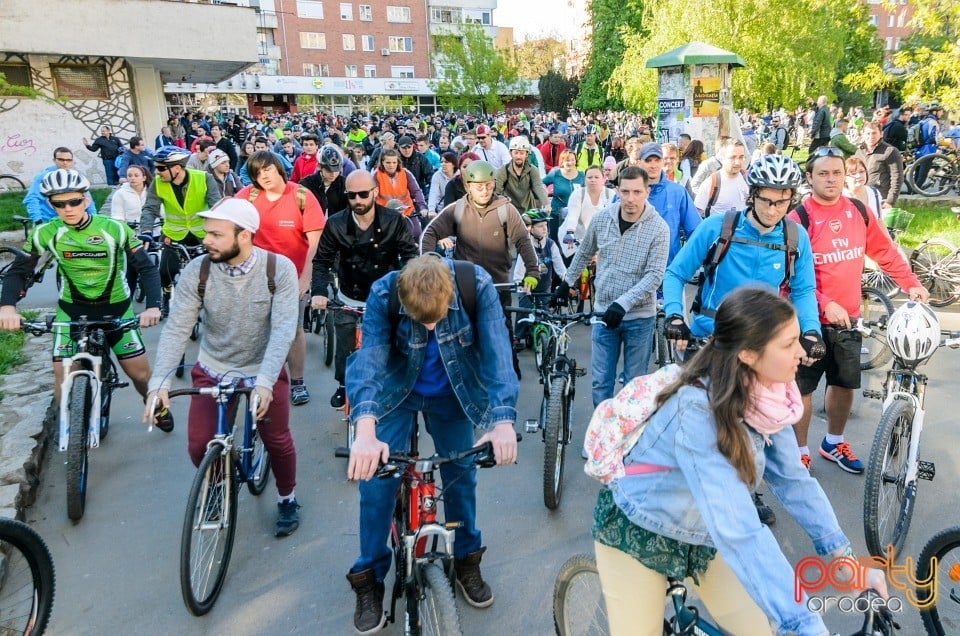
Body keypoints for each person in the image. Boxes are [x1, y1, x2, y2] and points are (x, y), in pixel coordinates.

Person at [593, 287, 889, 636]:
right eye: (788, 344)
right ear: (748, 354)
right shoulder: (697, 411)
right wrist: (804, 625)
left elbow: (795, 483)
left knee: (760, 630)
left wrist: (847, 565)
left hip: (704, 534)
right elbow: (741, 532)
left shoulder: (771, 395)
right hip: (641, 532)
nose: (803, 353)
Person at [344, 254, 519, 634]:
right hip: (395, 392)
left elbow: (498, 355)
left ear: (451, 294)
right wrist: (365, 430)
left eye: (436, 319)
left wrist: (502, 420)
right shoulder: (383, 293)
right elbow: (370, 361)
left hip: (453, 395)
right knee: (376, 483)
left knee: (462, 474)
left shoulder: (477, 287)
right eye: (419, 320)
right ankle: (370, 576)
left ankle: (466, 558)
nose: (429, 327)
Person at [142, 198, 302, 536]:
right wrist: (160, 382)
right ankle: (218, 479)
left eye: (216, 234)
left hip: (263, 366)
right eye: (206, 233)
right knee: (200, 445)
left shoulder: (279, 269)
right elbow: (177, 329)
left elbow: (284, 330)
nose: (206, 240)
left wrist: (265, 381)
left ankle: (287, 497)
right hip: (215, 365)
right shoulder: (197, 270)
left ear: (245, 236)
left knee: (277, 440)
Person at [786, 148, 928, 472]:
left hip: (849, 319)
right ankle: (799, 451)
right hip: (807, 321)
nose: (831, 179)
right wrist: (824, 303)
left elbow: (887, 253)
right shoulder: (798, 219)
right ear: (809, 178)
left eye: (837, 172)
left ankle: (833, 443)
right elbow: (786, 280)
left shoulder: (859, 211)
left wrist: (911, 284)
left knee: (844, 384)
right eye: (823, 173)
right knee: (803, 388)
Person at [0, 169, 163, 418]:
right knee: (62, 376)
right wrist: (7, 307)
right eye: (59, 203)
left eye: (74, 201)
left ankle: (155, 408)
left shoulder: (115, 229)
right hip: (72, 310)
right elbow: (19, 272)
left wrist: (153, 306)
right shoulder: (45, 233)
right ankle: (68, 428)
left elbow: (146, 269)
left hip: (116, 309)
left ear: (86, 199)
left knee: (139, 374)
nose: (68, 209)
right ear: (50, 204)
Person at [554, 166, 669, 408]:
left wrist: (623, 303)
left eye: (637, 192)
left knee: (633, 386)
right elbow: (584, 253)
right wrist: (567, 282)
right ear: (616, 190)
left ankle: (628, 440)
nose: (630, 198)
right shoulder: (602, 219)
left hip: (639, 318)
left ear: (647, 192)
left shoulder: (659, 228)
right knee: (600, 383)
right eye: (625, 191)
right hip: (603, 314)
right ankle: (602, 439)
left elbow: (654, 276)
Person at [311, 169, 419, 409]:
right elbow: (322, 261)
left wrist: (411, 290)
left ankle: (399, 387)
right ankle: (343, 384)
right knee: (345, 344)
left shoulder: (394, 221)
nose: (357, 200)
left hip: (386, 296)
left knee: (394, 344)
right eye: (352, 195)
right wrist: (318, 291)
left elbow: (411, 256)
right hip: (349, 295)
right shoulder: (335, 223)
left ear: (375, 192)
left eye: (363, 194)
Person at [421, 160, 540, 377]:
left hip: (498, 283)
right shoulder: (456, 209)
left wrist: (532, 272)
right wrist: (428, 266)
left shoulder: (506, 209)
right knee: (462, 330)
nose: (484, 190)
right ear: (468, 186)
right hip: (465, 284)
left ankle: (509, 370)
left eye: (488, 185)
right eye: (479, 186)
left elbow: (523, 240)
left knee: (502, 329)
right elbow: (429, 234)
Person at [237, 151, 325, 406]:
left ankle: (297, 381)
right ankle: (261, 378)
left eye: (267, 169)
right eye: (256, 172)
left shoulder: (301, 196)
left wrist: (306, 278)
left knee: (292, 330)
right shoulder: (247, 196)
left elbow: (314, 242)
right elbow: (227, 222)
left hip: (292, 276)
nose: (262, 175)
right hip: (254, 276)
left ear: (278, 169)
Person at [139, 145, 223, 316]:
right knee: (165, 271)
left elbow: (217, 206)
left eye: (161, 168)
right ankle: (167, 294)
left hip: (201, 235)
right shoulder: (158, 183)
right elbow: (150, 209)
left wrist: (219, 231)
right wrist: (146, 230)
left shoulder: (204, 178)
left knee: (211, 272)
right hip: (174, 234)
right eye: (156, 167)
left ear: (177, 168)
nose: (156, 172)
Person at [640, 143, 701, 264]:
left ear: (662, 162)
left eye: (657, 160)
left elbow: (695, 231)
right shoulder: (628, 191)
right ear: (640, 162)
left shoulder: (678, 192)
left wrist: (686, 265)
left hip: (669, 268)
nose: (653, 165)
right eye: (648, 160)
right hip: (634, 272)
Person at [513, 210, 565, 346]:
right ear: (530, 229)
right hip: (527, 288)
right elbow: (519, 270)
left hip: (544, 289)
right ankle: (517, 337)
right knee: (524, 311)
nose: (545, 229)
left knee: (546, 316)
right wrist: (519, 283)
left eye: (545, 225)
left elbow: (560, 267)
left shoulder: (551, 245)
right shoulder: (526, 246)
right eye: (540, 226)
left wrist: (567, 281)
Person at [22, 148, 98, 223]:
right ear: (54, 160)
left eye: (68, 160)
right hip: (48, 221)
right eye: (61, 159)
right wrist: (38, 220)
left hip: (73, 221)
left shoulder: (75, 176)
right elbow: (32, 199)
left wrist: (93, 218)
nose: (65, 162)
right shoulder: (43, 177)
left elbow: (87, 199)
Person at [559, 165, 615, 259]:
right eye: (589, 177)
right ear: (585, 180)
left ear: (603, 179)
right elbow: (573, 216)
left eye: (597, 177)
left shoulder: (610, 194)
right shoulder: (578, 194)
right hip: (576, 238)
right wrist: (570, 232)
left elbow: (614, 218)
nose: (593, 180)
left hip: (601, 239)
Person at [494, 136, 549, 216]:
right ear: (510, 153)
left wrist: (546, 203)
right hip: (509, 212)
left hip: (528, 211)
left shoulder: (532, 170)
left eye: (522, 153)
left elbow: (538, 187)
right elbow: (497, 192)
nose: (518, 156)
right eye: (516, 153)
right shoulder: (503, 171)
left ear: (526, 154)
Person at [694, 139, 748, 217]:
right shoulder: (711, 183)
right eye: (733, 157)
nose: (737, 162)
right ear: (722, 158)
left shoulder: (749, 179)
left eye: (741, 157)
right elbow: (696, 215)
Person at [855, 121, 904, 208]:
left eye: (874, 133)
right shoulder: (859, 152)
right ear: (863, 134)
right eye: (868, 133)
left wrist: (890, 201)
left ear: (881, 134)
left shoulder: (890, 151)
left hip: (880, 198)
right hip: (861, 197)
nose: (871, 136)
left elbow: (897, 178)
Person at [541, 149, 584, 243]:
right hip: (556, 214)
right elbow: (541, 183)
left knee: (572, 243)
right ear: (562, 161)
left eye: (572, 160)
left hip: (575, 215)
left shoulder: (581, 175)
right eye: (567, 160)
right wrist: (545, 199)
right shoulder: (556, 174)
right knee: (555, 241)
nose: (570, 162)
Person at [427, 152, 457, 219]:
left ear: (453, 164)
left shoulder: (459, 175)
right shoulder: (437, 175)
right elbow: (433, 193)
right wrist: (431, 210)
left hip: (458, 208)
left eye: (446, 162)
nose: (443, 164)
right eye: (442, 162)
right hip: (442, 210)